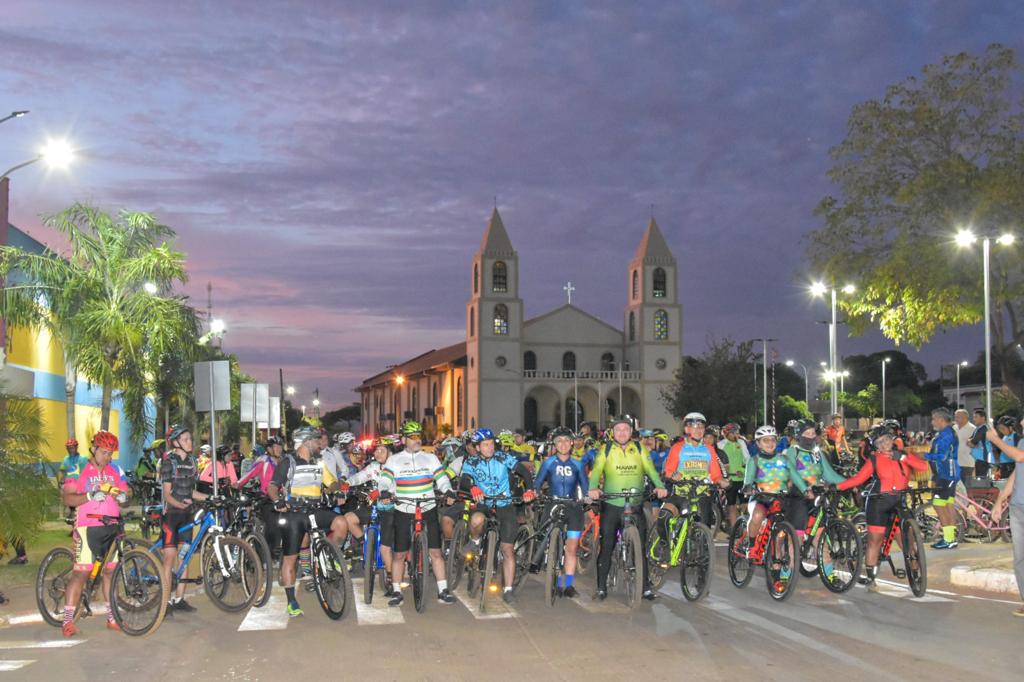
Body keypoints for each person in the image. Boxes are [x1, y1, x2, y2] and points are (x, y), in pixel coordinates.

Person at [268, 426, 348, 617]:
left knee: (341, 523)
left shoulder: (318, 462)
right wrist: (277, 500)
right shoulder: (288, 462)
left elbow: (331, 481)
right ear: (305, 442)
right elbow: (272, 487)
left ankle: (330, 556)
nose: (319, 443)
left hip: (314, 510)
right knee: (290, 558)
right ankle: (291, 601)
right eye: (315, 440)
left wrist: (336, 490)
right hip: (294, 514)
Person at [587, 416, 667, 601]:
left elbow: (651, 469)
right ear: (612, 432)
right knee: (607, 546)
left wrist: (659, 486)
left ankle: (645, 587)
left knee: (641, 547)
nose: (622, 432)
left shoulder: (639, 448)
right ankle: (601, 587)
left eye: (625, 429)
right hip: (612, 504)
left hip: (635, 503)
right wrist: (593, 488)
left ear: (631, 432)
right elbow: (597, 470)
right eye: (618, 429)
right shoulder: (606, 449)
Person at [838, 425, 927, 589]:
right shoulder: (874, 459)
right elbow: (858, 479)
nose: (884, 444)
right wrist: (838, 487)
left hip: (899, 501)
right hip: (878, 502)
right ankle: (871, 577)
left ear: (892, 439)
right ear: (876, 446)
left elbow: (923, 467)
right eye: (879, 443)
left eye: (886, 440)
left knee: (907, 541)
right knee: (875, 540)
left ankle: (916, 574)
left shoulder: (903, 454)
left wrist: (902, 458)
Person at [378, 420, 456, 606]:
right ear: (404, 439)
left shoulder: (430, 458)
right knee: (399, 554)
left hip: (427, 507)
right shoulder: (394, 460)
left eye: (418, 437)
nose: (416, 440)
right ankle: (397, 591)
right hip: (403, 509)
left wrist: (448, 490)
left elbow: (441, 478)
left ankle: (443, 589)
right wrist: (385, 492)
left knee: (436, 552)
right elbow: (385, 480)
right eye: (412, 437)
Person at [60, 430, 129, 636]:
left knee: (110, 573)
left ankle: (111, 617)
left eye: (110, 453)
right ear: (94, 449)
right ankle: (67, 621)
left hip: (113, 527)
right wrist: (90, 495)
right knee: (81, 574)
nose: (107, 457)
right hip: (87, 527)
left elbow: (126, 493)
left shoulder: (116, 470)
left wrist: (125, 498)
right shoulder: (78, 468)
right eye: (104, 452)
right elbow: (68, 499)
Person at [460, 428, 536, 604]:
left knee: (507, 549)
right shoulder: (471, 461)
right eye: (485, 445)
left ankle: (508, 589)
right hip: (484, 503)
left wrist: (530, 490)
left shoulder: (503, 457)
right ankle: (475, 541)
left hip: (505, 504)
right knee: (476, 520)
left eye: (491, 444)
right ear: (477, 447)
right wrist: (472, 487)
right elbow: (464, 479)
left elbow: (523, 472)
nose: (489, 448)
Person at [532, 426, 588, 597]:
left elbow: (585, 487)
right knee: (544, 536)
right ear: (554, 445)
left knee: (571, 548)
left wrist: (588, 497)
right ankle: (544, 560)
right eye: (559, 441)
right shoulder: (548, 462)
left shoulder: (578, 464)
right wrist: (534, 492)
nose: (562, 444)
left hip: (573, 507)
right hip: (553, 504)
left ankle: (568, 584)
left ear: (572, 443)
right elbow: (538, 483)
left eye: (566, 440)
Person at [159, 424, 206, 614]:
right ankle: (165, 601)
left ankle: (179, 599)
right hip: (171, 514)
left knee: (184, 557)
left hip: (186, 514)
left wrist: (209, 497)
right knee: (169, 558)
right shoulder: (169, 462)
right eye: (185, 439)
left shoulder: (193, 461)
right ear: (176, 442)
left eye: (190, 439)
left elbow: (191, 491)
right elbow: (167, 494)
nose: (190, 442)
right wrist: (180, 504)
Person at [659, 413, 727, 538]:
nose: (698, 430)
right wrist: (674, 475)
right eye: (694, 427)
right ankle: (664, 546)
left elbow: (716, 474)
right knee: (664, 516)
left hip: (702, 495)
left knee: (703, 534)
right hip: (681, 493)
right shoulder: (678, 448)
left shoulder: (709, 449)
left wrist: (721, 481)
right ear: (687, 429)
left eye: (701, 427)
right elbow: (668, 470)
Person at [342, 438, 394, 584]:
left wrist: (381, 492)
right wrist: (348, 483)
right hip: (375, 505)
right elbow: (360, 476)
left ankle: (390, 575)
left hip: (393, 507)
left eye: (381, 450)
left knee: (387, 546)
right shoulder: (374, 466)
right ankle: (365, 544)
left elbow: (398, 485)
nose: (377, 453)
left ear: (390, 452)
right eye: (376, 450)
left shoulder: (397, 465)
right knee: (349, 518)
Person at [785, 420, 847, 544]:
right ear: (799, 435)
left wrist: (851, 483)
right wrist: (804, 488)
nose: (811, 437)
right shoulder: (793, 451)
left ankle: (823, 561)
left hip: (817, 493)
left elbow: (829, 474)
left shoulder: (817, 453)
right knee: (797, 537)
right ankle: (794, 562)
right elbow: (792, 472)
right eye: (807, 433)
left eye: (813, 433)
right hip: (798, 494)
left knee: (820, 539)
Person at [985, 427, 1024, 616]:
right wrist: (999, 502)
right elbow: (1016, 474)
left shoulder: (1019, 449)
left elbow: (1020, 457)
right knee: (1020, 559)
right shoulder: (1022, 442)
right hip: (1018, 507)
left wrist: (996, 440)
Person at [742, 426, 797, 551]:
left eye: (772, 440)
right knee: (757, 515)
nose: (770, 443)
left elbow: (794, 476)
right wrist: (748, 487)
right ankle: (751, 545)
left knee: (782, 530)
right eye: (765, 440)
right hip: (760, 498)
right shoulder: (754, 460)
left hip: (780, 498)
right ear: (758, 443)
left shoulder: (784, 459)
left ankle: (776, 558)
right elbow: (748, 480)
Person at [926, 407, 961, 550]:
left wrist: (924, 456)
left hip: (946, 474)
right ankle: (950, 538)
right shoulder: (945, 433)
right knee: (948, 505)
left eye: (933, 419)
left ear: (941, 419)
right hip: (946, 474)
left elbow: (942, 456)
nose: (932, 421)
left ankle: (948, 539)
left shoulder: (947, 434)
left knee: (939, 503)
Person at [718, 423, 748, 528]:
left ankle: (743, 520)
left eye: (738, 432)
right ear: (728, 433)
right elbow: (718, 461)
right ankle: (734, 529)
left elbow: (747, 459)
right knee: (731, 505)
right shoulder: (721, 444)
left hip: (741, 478)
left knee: (745, 504)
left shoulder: (741, 443)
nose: (737, 435)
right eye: (734, 433)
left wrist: (742, 470)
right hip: (729, 479)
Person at [992, 416, 1019, 480]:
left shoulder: (1016, 437)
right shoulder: (1005, 437)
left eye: (1003, 429)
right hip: (1004, 467)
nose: (1001, 431)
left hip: (1011, 467)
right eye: (1000, 429)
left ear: (1010, 427)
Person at [968, 408, 993, 479]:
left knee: (981, 480)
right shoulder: (978, 428)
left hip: (983, 459)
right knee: (980, 479)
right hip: (980, 459)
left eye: (976, 417)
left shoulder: (983, 429)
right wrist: (970, 441)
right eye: (973, 417)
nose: (974, 419)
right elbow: (969, 440)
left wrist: (970, 442)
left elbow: (973, 442)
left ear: (983, 418)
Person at [954, 409, 975, 484]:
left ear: (965, 418)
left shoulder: (973, 429)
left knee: (966, 487)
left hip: (967, 463)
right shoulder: (954, 428)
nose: (956, 419)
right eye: (955, 417)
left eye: (958, 417)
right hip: (954, 463)